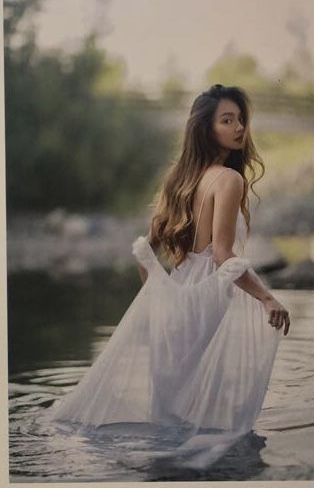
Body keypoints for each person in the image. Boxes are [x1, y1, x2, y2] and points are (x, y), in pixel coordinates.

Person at [49, 83, 290, 470]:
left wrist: (160, 299)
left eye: (241, 119)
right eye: (227, 120)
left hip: (176, 290)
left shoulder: (180, 177)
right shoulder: (228, 180)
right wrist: (266, 297)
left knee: (168, 406)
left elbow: (151, 251)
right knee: (196, 408)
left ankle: (160, 473)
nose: (240, 127)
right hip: (205, 296)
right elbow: (224, 255)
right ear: (206, 128)